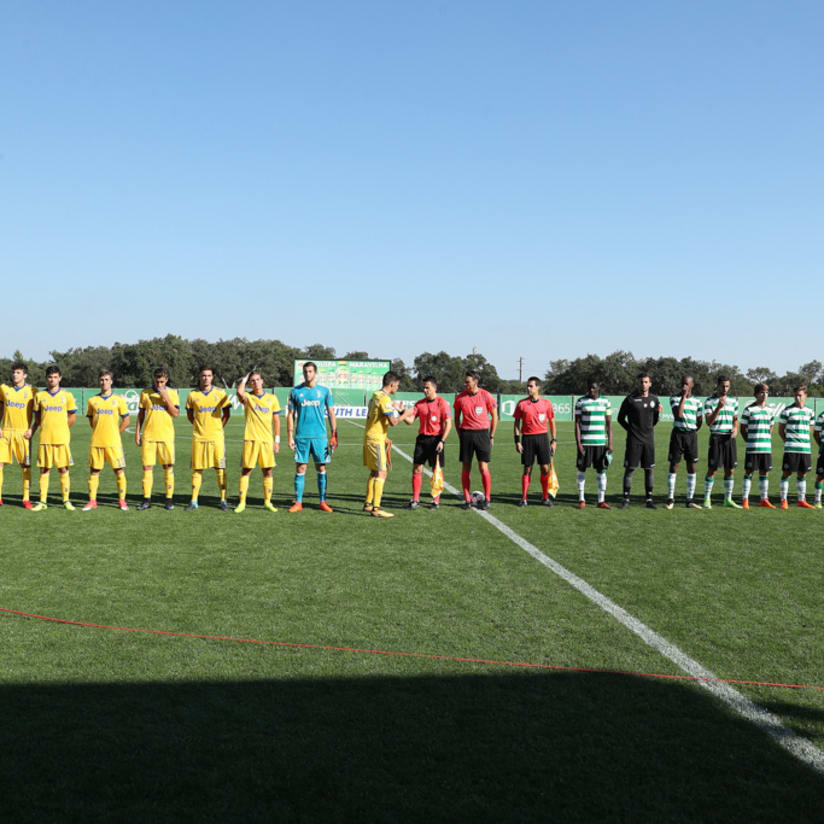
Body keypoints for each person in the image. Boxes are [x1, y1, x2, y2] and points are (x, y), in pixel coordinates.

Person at [362, 370, 415, 518]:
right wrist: (405, 414)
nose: (397, 388)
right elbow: (393, 422)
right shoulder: (384, 399)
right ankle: (376, 508)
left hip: (370, 436)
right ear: (391, 384)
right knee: (381, 472)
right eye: (397, 386)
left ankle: (368, 504)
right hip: (375, 439)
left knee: (374, 472)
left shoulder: (375, 396)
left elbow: (375, 419)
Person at [286, 361, 337, 513]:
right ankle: (298, 502)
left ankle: (322, 501)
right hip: (302, 436)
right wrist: (290, 435)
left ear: (315, 373)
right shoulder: (295, 391)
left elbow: (331, 413)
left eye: (310, 371)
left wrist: (334, 434)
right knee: (301, 467)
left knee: (321, 467)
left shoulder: (325, 391)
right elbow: (290, 415)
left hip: (320, 436)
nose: (307, 374)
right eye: (305, 372)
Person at [28, 365, 77, 511]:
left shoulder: (67, 395)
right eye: (50, 377)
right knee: (44, 470)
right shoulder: (40, 396)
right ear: (46, 379)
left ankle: (66, 500)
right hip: (45, 439)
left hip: (61, 439)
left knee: (63, 469)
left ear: (60, 378)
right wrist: (33, 429)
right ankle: (42, 502)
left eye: (55, 377)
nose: (52, 379)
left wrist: (62, 428)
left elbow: (72, 417)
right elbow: (37, 419)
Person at [82, 370, 130, 511]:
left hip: (113, 442)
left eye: (107, 379)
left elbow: (126, 421)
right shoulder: (92, 400)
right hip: (97, 442)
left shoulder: (119, 400)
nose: (104, 382)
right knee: (94, 471)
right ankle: (92, 501)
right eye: (102, 379)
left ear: (111, 381)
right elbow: (91, 420)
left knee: (119, 471)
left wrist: (116, 432)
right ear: (99, 381)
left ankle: (122, 501)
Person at [185, 365, 231, 510]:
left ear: (212, 377)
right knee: (197, 469)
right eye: (203, 375)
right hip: (199, 438)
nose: (206, 378)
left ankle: (223, 500)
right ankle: (193, 501)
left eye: (209, 375)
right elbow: (190, 415)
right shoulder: (193, 395)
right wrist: (200, 427)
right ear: (200, 377)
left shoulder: (220, 393)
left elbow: (227, 414)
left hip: (216, 437)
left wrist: (218, 427)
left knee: (220, 468)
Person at [235, 370, 281, 513]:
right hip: (251, 439)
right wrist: (244, 379)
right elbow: (239, 393)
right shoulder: (248, 397)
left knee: (267, 471)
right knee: (246, 470)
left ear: (262, 381)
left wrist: (277, 440)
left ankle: (267, 501)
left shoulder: (272, 398)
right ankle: (242, 503)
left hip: (267, 440)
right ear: (250, 383)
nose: (255, 383)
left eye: (257, 380)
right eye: (252, 381)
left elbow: (277, 421)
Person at [136, 367, 179, 510]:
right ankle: (147, 500)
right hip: (149, 435)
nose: (159, 384)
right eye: (157, 381)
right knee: (147, 467)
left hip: (166, 436)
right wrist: (138, 433)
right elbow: (141, 414)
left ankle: (168, 500)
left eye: (162, 381)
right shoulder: (145, 393)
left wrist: (165, 396)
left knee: (168, 467)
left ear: (166, 379)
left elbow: (175, 413)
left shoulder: (172, 393)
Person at [453, 371, 498, 510]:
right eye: (465, 382)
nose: (465, 384)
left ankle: (488, 499)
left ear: (475, 382)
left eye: (468, 382)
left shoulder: (486, 395)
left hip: (482, 434)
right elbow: (456, 418)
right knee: (466, 467)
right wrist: (460, 434)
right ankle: (467, 500)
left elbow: (494, 416)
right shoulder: (460, 398)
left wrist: (491, 435)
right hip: (466, 434)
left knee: (483, 467)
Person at [406, 376, 451, 509]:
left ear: (434, 388)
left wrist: (442, 440)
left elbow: (448, 424)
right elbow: (410, 421)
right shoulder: (419, 404)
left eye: (428, 387)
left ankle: (435, 501)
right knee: (417, 468)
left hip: (436, 439)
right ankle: (415, 500)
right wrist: (401, 411)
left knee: (436, 470)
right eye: (424, 388)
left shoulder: (442, 403)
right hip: (422, 439)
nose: (425, 390)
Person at [617, 373, 661, 509]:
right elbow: (620, 418)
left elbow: (655, 419)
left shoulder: (654, 399)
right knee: (630, 470)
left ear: (650, 384)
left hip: (648, 441)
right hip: (633, 441)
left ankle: (649, 500)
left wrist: (648, 428)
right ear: (638, 383)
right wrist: (630, 430)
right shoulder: (630, 399)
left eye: (646, 382)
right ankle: (626, 499)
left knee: (649, 470)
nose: (643, 384)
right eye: (641, 382)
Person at [513, 376, 556, 507]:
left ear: (538, 388)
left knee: (545, 468)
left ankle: (545, 497)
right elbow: (516, 423)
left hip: (543, 438)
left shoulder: (546, 403)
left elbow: (552, 422)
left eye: (531, 386)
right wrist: (517, 441)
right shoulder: (522, 404)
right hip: (528, 438)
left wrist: (554, 440)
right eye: (527, 386)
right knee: (527, 469)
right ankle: (524, 498)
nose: (528, 388)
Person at [702, 375, 741, 508]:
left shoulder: (734, 401)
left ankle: (728, 499)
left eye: (727, 386)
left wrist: (735, 429)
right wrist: (718, 407)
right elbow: (708, 422)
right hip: (716, 437)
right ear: (717, 386)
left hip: (729, 438)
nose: (725, 389)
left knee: (730, 470)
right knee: (712, 469)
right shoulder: (709, 401)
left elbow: (735, 419)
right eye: (723, 386)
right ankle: (707, 498)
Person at [665, 376, 703, 509]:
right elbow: (678, 415)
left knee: (692, 466)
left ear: (692, 384)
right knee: (674, 465)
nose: (684, 387)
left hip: (691, 435)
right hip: (678, 434)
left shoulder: (698, 402)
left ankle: (690, 499)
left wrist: (692, 430)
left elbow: (699, 420)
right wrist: (683, 397)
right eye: (682, 384)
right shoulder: (674, 398)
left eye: (687, 384)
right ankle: (670, 499)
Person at [0, 361, 35, 508]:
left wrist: (32, 429)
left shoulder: (33, 391)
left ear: (25, 375)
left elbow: (39, 414)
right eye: (13, 372)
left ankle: (26, 499)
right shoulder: (4, 389)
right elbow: (0, 409)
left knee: (25, 466)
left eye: (18, 372)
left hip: (23, 434)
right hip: (5, 432)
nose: (15, 375)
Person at [573, 381, 613, 509]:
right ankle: (581, 499)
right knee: (581, 470)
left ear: (598, 389)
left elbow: (609, 425)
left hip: (600, 443)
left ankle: (601, 500)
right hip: (585, 442)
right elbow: (577, 424)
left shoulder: (606, 402)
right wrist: (579, 443)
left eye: (594, 387)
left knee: (602, 471)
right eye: (589, 387)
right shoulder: (581, 402)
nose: (591, 390)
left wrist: (610, 443)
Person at [777, 385, 816, 509]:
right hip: (791, 447)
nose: (798, 397)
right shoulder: (787, 411)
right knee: (787, 473)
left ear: (805, 396)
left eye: (800, 395)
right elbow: (781, 431)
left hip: (805, 448)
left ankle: (801, 500)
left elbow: (810, 429)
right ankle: (783, 500)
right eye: (796, 395)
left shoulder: (810, 412)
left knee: (802, 474)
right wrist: (788, 441)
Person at [739, 383, 775, 509]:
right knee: (749, 472)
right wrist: (749, 441)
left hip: (765, 447)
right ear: (756, 394)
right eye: (761, 392)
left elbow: (771, 426)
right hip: (753, 447)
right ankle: (745, 499)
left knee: (764, 473)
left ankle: (764, 499)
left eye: (766, 392)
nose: (764, 395)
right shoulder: (749, 410)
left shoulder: (770, 411)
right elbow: (742, 429)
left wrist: (767, 437)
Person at [814, 407, 824, 509]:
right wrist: (821, 445)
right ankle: (817, 500)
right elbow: (816, 433)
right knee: (821, 476)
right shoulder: (822, 416)